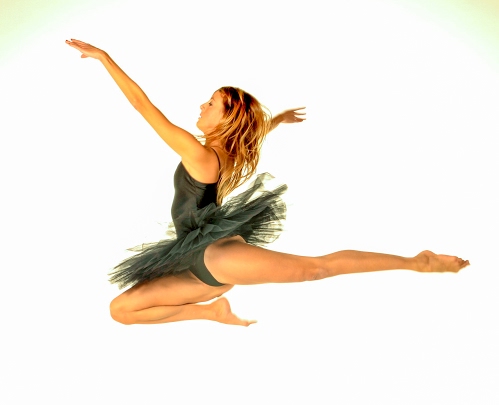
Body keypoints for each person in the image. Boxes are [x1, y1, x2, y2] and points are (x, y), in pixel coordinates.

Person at [66, 39, 470, 327]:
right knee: (121, 311)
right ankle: (210, 312)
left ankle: (419, 261)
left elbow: (143, 106)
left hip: (215, 256)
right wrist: (274, 122)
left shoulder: (200, 155)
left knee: (315, 270)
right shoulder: (226, 152)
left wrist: (105, 59)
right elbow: (250, 137)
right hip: (189, 262)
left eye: (211, 103)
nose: (202, 105)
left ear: (227, 119)